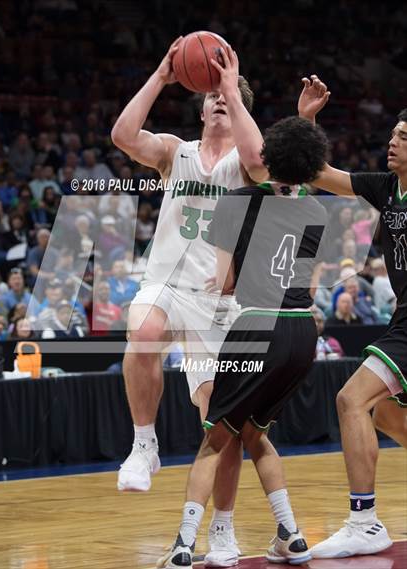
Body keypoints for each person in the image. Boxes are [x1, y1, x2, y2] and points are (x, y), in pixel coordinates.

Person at [111, 39, 266, 566]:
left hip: (216, 303)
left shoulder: (244, 164)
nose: (220, 102)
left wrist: (233, 89)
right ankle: (144, 444)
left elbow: (259, 160)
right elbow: (123, 135)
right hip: (165, 284)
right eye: (214, 96)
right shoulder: (174, 153)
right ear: (200, 103)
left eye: (228, 97)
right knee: (144, 333)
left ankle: (222, 530)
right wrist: (160, 75)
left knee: (220, 423)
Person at [160, 116, 329, 568]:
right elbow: (304, 282)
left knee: (215, 439)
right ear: (311, 164)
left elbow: (226, 281)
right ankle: (291, 534)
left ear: (266, 156)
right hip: (302, 331)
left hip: (258, 326)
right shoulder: (317, 210)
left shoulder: (236, 202)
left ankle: (182, 544)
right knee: (256, 433)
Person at [298, 76, 406, 557]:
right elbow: (319, 173)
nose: (393, 142)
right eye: (392, 136)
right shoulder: (386, 189)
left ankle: (364, 521)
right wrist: (306, 121)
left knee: (350, 400)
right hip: (404, 320)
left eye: (404, 138)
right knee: (381, 412)